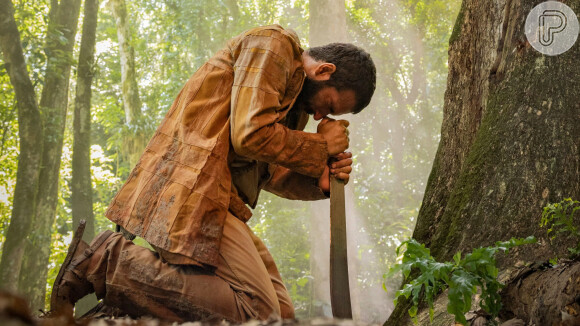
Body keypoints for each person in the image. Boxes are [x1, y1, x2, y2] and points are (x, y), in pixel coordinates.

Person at [50, 24, 376, 322]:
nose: (320, 116)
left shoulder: (294, 106)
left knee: (283, 317)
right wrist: (320, 146)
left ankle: (130, 300)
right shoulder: (274, 45)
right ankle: (105, 262)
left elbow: (266, 173)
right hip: (192, 190)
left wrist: (316, 183)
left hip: (220, 203)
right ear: (323, 70)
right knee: (258, 314)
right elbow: (249, 136)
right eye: (328, 105)